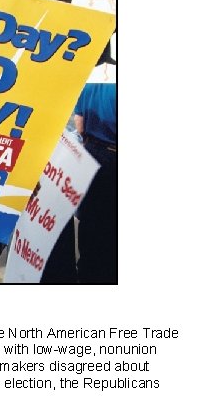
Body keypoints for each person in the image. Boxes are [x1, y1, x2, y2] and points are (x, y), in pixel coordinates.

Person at [74, 82, 117, 283]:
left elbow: (79, 125)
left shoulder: (91, 81)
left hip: (92, 154)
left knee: (90, 219)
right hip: (114, 157)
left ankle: (87, 273)